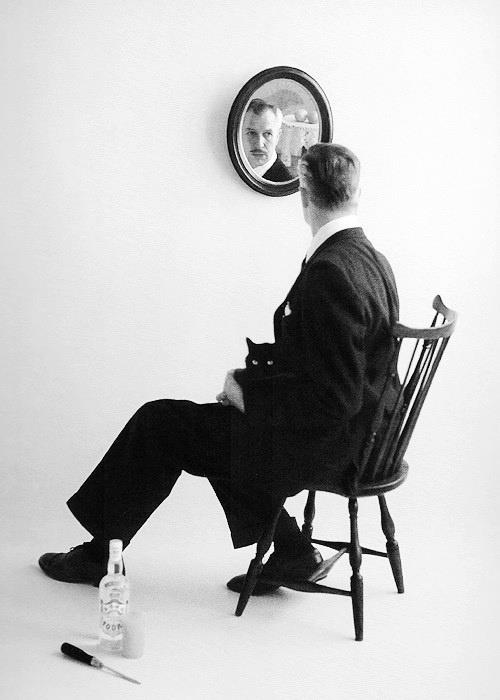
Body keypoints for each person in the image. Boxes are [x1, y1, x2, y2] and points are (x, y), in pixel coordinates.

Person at [39, 143, 399, 596]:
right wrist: (248, 384)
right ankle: (291, 550)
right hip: (371, 437)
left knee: (161, 423)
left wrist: (250, 394)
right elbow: (326, 362)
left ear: (304, 193)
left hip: (336, 445)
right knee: (217, 431)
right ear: (356, 191)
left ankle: (99, 557)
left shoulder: (332, 269)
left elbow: (334, 399)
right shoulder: (368, 258)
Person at [241, 99, 292, 182]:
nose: (259, 144)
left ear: (277, 137)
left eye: (268, 134)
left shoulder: (284, 183)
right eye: (252, 133)